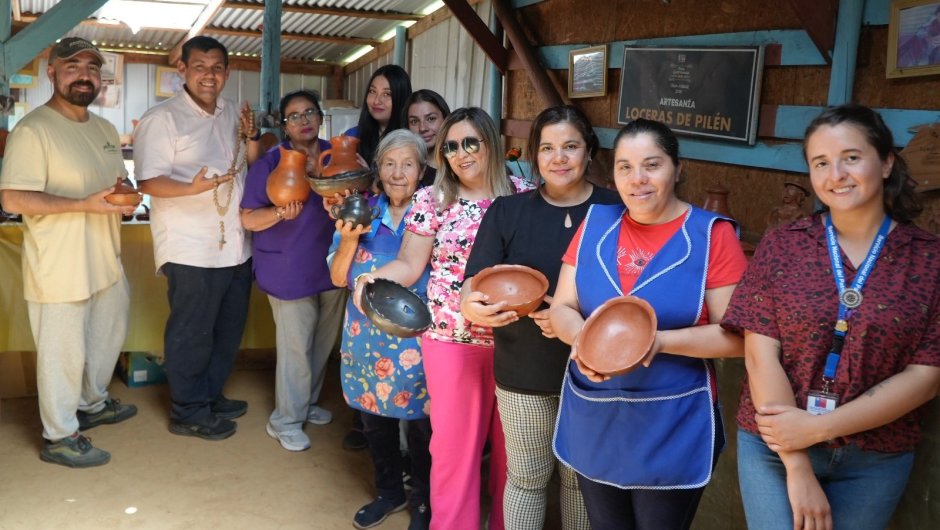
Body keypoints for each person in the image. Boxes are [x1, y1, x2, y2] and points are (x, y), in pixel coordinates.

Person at [722, 104, 940, 530]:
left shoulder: (929, 259)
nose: (836, 174)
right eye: (821, 162)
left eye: (851, 157)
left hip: (876, 454)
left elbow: (926, 376)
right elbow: (760, 357)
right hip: (776, 447)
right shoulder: (784, 244)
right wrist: (798, 463)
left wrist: (819, 429)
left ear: (886, 162)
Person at [549, 118, 748, 530]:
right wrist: (584, 342)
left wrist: (657, 342)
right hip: (595, 414)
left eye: (652, 165)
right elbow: (562, 306)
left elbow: (736, 338)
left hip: (673, 420)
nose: (637, 179)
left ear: (677, 169)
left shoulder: (711, 236)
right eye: (625, 167)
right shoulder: (595, 225)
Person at [353, 107, 533, 530]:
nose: (460, 153)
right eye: (450, 146)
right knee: (453, 453)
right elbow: (409, 263)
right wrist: (371, 278)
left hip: (517, 342)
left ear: (491, 143)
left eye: (470, 142)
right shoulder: (433, 199)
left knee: (514, 458)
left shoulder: (525, 196)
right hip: (452, 340)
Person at [460, 105, 620, 529]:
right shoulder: (507, 211)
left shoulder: (616, 211)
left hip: (593, 369)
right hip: (523, 366)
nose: (558, 158)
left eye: (570, 146)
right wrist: (470, 304)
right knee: (527, 477)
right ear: (534, 155)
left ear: (589, 151)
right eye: (547, 148)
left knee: (580, 480)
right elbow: (474, 281)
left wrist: (572, 318)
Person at [0, 37, 138, 468]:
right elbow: (13, 199)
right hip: (59, 265)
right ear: (52, 73)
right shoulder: (34, 130)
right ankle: (59, 435)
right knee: (62, 353)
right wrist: (82, 205)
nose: (84, 75)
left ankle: (91, 404)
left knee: (106, 337)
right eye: (73, 66)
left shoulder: (105, 130)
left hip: (105, 259)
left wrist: (127, 196)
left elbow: (117, 184)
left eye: (92, 68)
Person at [135, 36, 259, 441]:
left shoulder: (231, 113)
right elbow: (148, 181)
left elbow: (249, 162)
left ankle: (208, 395)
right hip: (190, 247)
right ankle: (187, 410)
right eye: (200, 66)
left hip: (234, 245)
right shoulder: (163, 119)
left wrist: (254, 136)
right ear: (182, 70)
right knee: (192, 332)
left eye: (217, 67)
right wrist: (191, 189)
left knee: (226, 330)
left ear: (227, 72)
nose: (209, 75)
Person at [329, 129, 433, 530]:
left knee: (423, 424)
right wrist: (348, 240)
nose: (397, 173)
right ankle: (389, 493)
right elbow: (338, 277)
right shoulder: (360, 211)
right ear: (378, 168)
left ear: (421, 170)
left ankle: (423, 501)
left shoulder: (433, 214)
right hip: (366, 335)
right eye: (389, 163)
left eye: (407, 164)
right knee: (374, 419)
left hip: (417, 337)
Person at [239, 90, 344, 451]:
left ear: (320, 117)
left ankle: (306, 402)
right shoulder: (270, 164)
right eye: (294, 116)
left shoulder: (336, 156)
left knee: (322, 344)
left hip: (331, 264)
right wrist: (279, 213)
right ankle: (285, 420)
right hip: (288, 266)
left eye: (309, 112)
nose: (303, 120)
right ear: (284, 126)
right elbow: (248, 219)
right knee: (296, 349)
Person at [340, 63, 413, 451]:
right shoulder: (357, 139)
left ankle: (407, 454)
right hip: (360, 234)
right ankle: (364, 424)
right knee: (366, 354)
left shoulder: (425, 210)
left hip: (407, 297)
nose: (377, 99)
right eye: (372, 91)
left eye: (387, 93)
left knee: (411, 390)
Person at [404, 89, 451, 187]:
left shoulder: (460, 163)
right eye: (414, 121)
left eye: (430, 119)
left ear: (446, 119)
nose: (422, 128)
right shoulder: (403, 170)